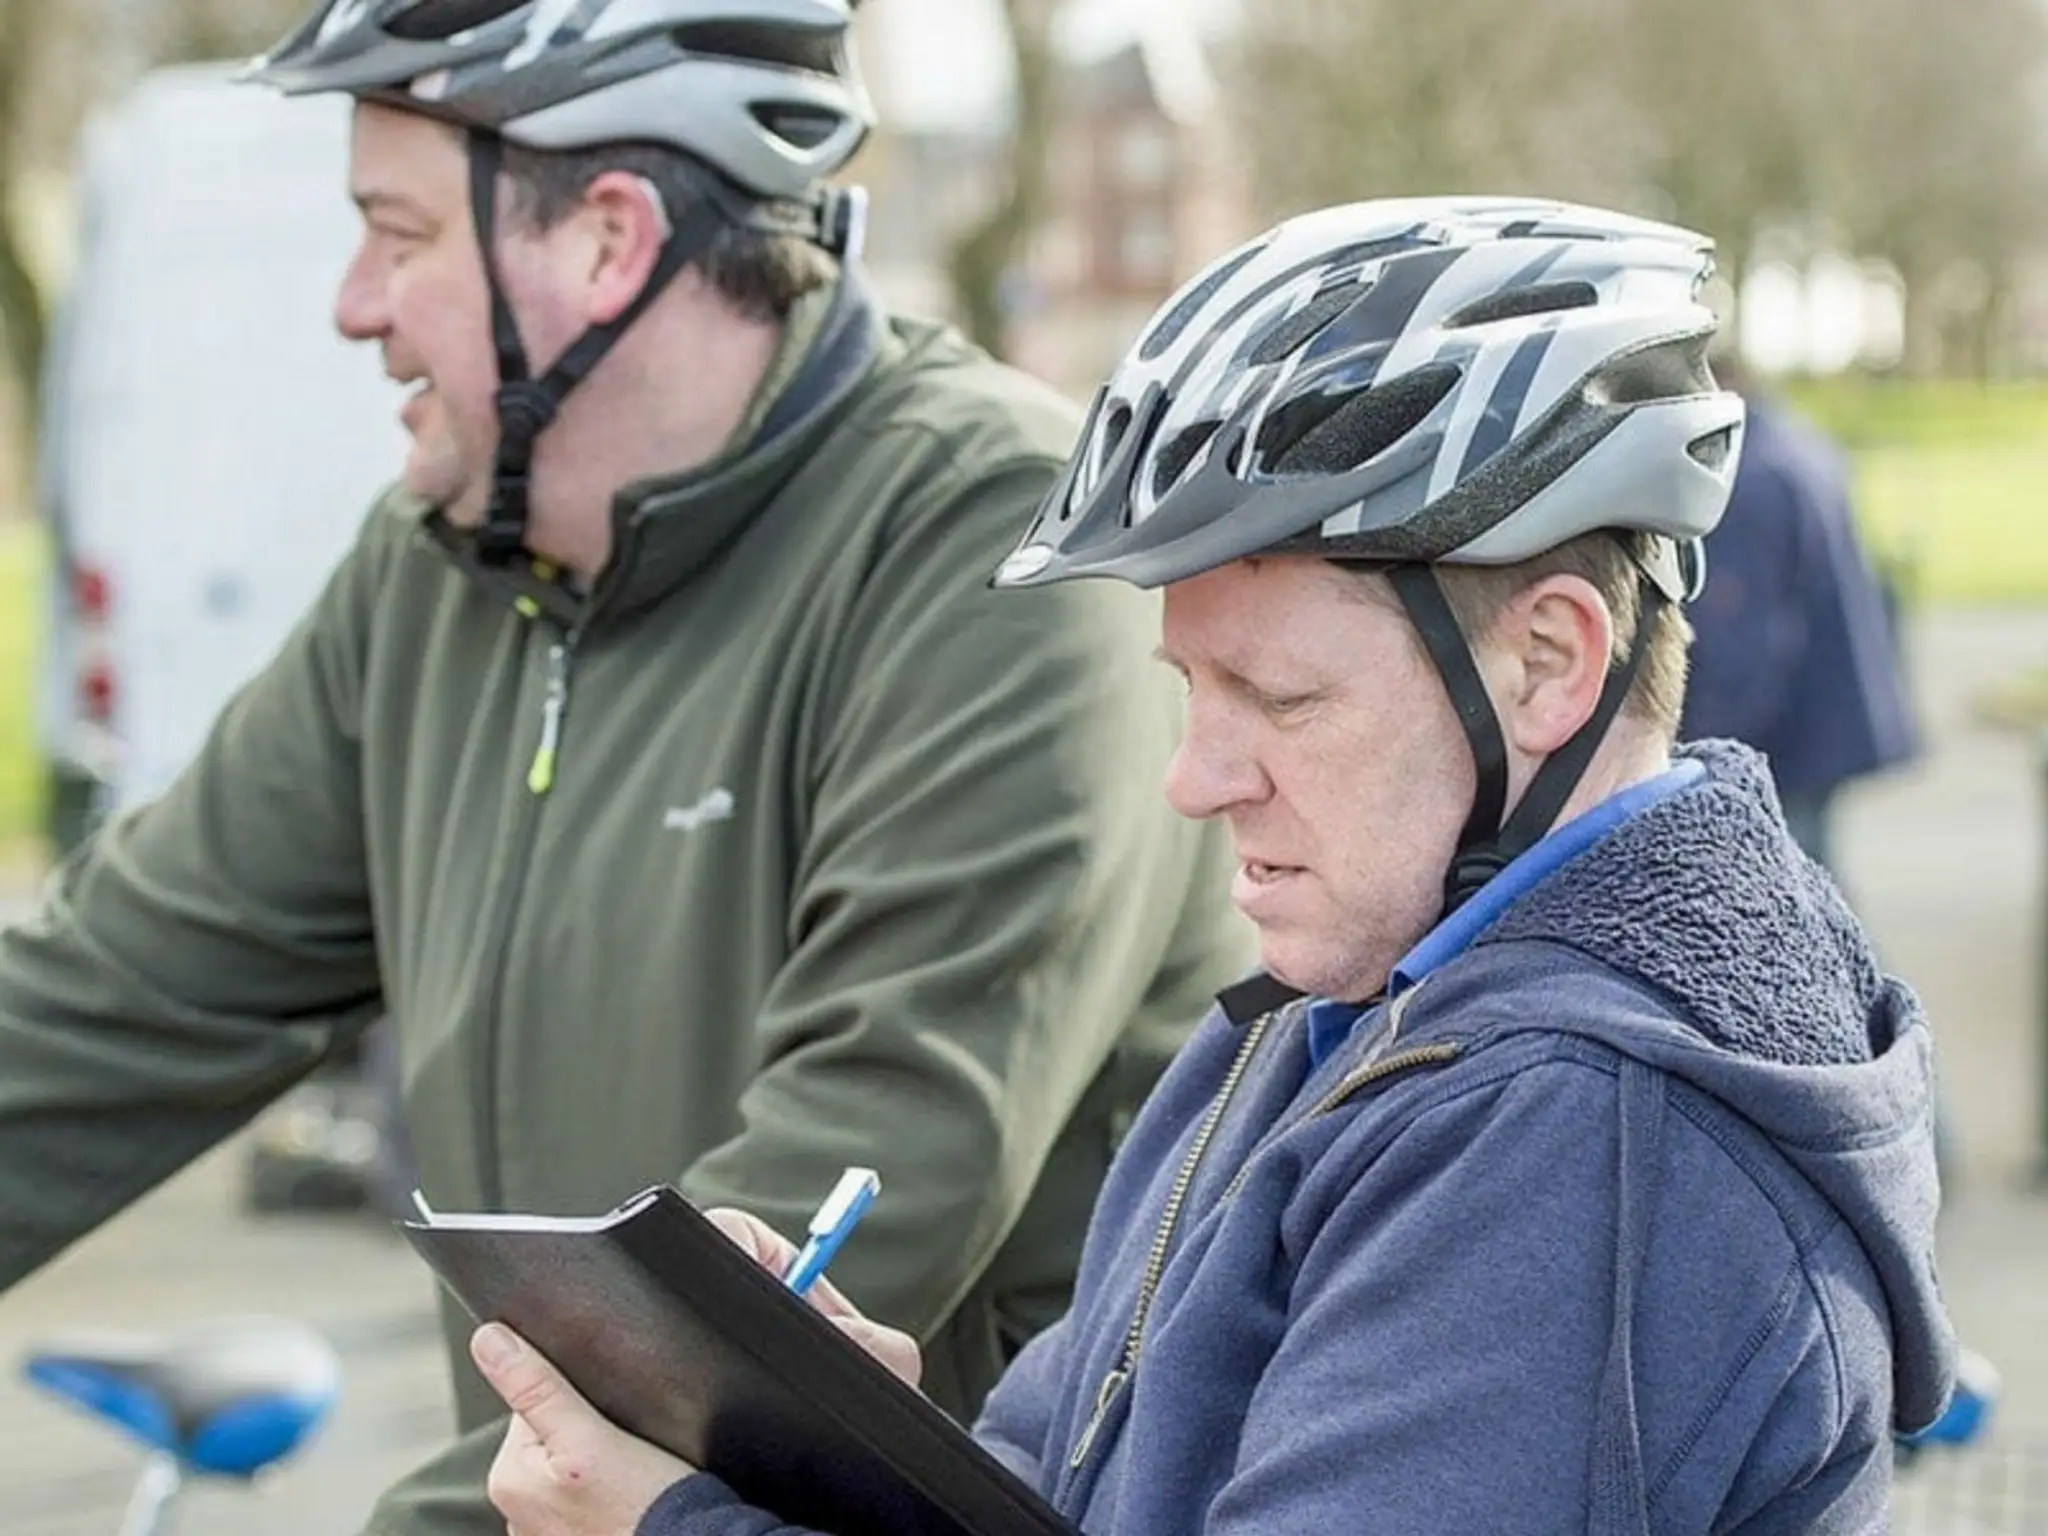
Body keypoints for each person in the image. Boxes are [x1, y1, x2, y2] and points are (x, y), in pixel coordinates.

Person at [467, 198, 1957, 1535]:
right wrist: (828, 1455)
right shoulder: (1355, 993)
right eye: (1193, 692)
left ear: (1549, 661)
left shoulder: (1583, 1139)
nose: (1195, 781)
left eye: (1283, 700)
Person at [0, 0, 1252, 1530]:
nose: (351, 304)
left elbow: (756, 1298)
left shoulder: (986, 570)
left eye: (394, 234)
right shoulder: (442, 574)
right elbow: (106, 999)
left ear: (604, 240)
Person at [1680, 357, 1918, 872]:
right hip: (1832, 713)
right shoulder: (1800, 445)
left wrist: (1706, 753)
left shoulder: (1750, 476)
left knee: (1797, 894)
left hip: (1791, 736)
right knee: (1815, 886)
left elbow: (1742, 630)